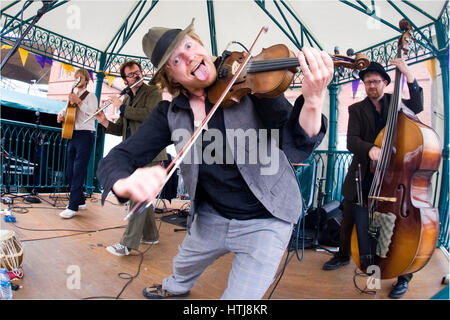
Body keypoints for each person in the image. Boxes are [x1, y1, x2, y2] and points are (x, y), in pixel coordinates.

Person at [97, 19, 333, 299]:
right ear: (171, 77)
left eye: (188, 45)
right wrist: (125, 184)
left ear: (199, 44)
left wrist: (314, 99)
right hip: (211, 217)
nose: (188, 56)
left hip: (267, 219)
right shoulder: (169, 114)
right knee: (182, 267)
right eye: (176, 60)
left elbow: (296, 139)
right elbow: (117, 157)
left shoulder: (251, 86)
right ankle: (175, 287)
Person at [322, 60, 424, 299]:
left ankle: (403, 275)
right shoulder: (356, 109)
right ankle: (343, 254)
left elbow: (418, 105)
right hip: (363, 173)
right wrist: (371, 150)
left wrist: (408, 74)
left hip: (393, 177)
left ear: (385, 83)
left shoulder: (396, 104)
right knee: (348, 216)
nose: (371, 86)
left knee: (397, 224)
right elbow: (351, 141)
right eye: (367, 82)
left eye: (376, 81)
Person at [95, 60, 167, 256]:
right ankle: (151, 235)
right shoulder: (126, 100)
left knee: (137, 196)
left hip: (150, 152)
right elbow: (121, 129)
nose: (136, 76)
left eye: (138, 72)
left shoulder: (153, 92)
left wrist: (121, 107)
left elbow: (149, 115)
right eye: (131, 75)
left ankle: (127, 244)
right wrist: (104, 122)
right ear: (125, 80)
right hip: (133, 154)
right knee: (143, 197)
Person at [57, 68, 98, 219]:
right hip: (72, 134)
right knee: (70, 170)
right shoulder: (73, 96)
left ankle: (72, 207)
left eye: (80, 77)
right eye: (76, 77)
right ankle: (80, 200)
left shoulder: (91, 96)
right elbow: (67, 109)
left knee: (78, 170)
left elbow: (93, 112)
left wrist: (79, 101)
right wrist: (61, 114)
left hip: (85, 135)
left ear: (86, 81)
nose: (78, 79)